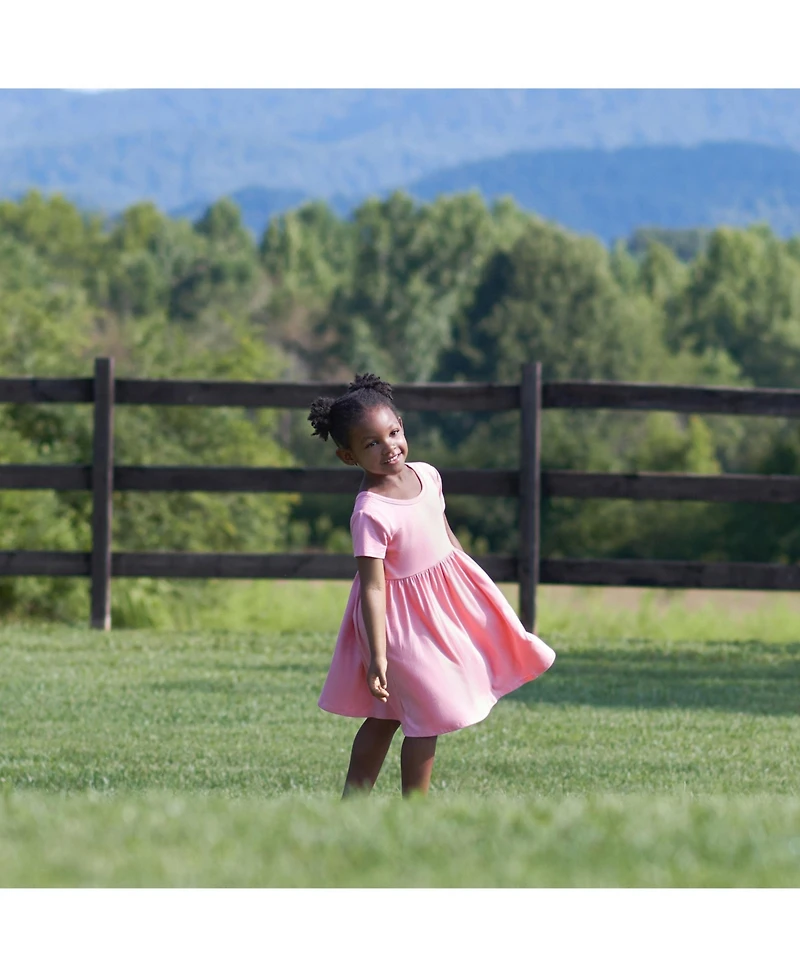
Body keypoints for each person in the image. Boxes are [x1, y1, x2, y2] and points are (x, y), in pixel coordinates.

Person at [308, 373, 556, 797]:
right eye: (371, 444)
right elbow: (372, 587)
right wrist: (378, 656)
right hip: (396, 626)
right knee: (426, 712)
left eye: (393, 433)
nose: (389, 448)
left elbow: (446, 540)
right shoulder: (370, 513)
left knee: (389, 715)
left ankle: (354, 804)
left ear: (402, 425)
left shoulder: (427, 476)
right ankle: (408, 809)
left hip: (439, 611)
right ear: (348, 456)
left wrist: (472, 592)